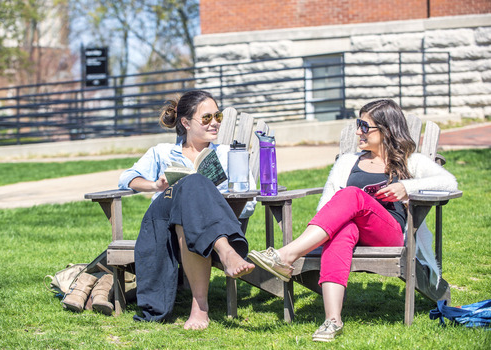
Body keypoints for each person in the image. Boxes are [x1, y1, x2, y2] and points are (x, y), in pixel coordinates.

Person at [248, 99, 458, 342]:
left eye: (364, 126)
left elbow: (449, 183)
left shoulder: (411, 161)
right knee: (342, 230)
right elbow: (327, 205)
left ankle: (286, 255)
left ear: (386, 130)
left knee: (351, 195)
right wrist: (323, 232)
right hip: (353, 233)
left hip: (389, 235)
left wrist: (406, 188)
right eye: (358, 125)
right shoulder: (348, 162)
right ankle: (332, 320)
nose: (359, 131)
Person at [118, 90, 255, 330]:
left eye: (218, 116)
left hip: (199, 225)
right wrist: (154, 185)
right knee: (192, 184)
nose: (215, 123)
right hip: (162, 225)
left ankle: (199, 308)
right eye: (206, 118)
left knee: (192, 198)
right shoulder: (161, 152)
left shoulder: (226, 154)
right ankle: (226, 253)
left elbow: (250, 201)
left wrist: (210, 201)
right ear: (185, 122)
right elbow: (126, 178)